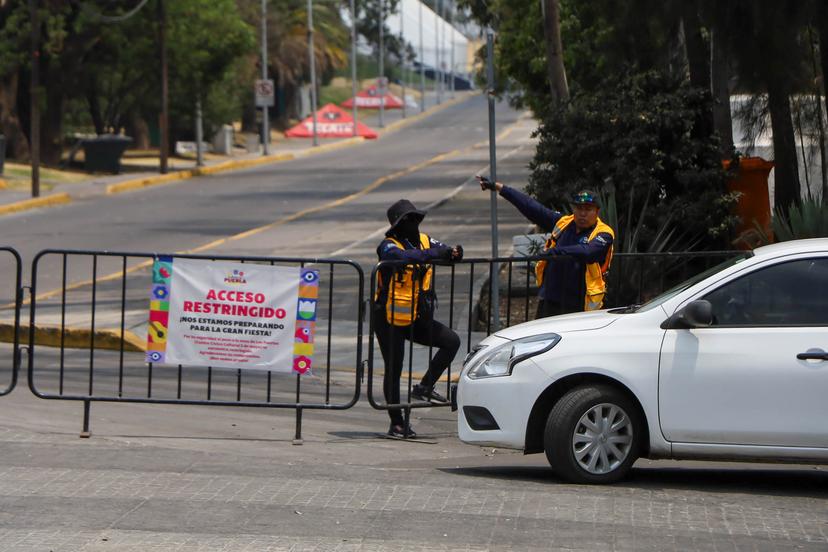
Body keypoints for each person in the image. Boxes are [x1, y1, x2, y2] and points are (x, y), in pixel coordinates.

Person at [374, 199, 463, 438]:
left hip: (417, 316)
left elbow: (444, 252)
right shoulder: (388, 245)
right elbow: (403, 257)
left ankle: (424, 386)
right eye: (407, 220)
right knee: (394, 368)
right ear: (397, 225)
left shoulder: (425, 240)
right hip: (387, 317)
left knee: (451, 341)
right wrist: (436, 253)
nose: (412, 224)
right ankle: (397, 423)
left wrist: (455, 253)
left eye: (415, 218)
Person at [478, 177, 614, 317]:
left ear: (597, 211)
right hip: (551, 300)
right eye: (579, 208)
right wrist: (499, 187)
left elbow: (589, 252)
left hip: (581, 306)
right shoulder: (563, 223)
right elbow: (531, 207)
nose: (582, 213)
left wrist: (557, 251)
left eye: (588, 209)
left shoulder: (603, 233)